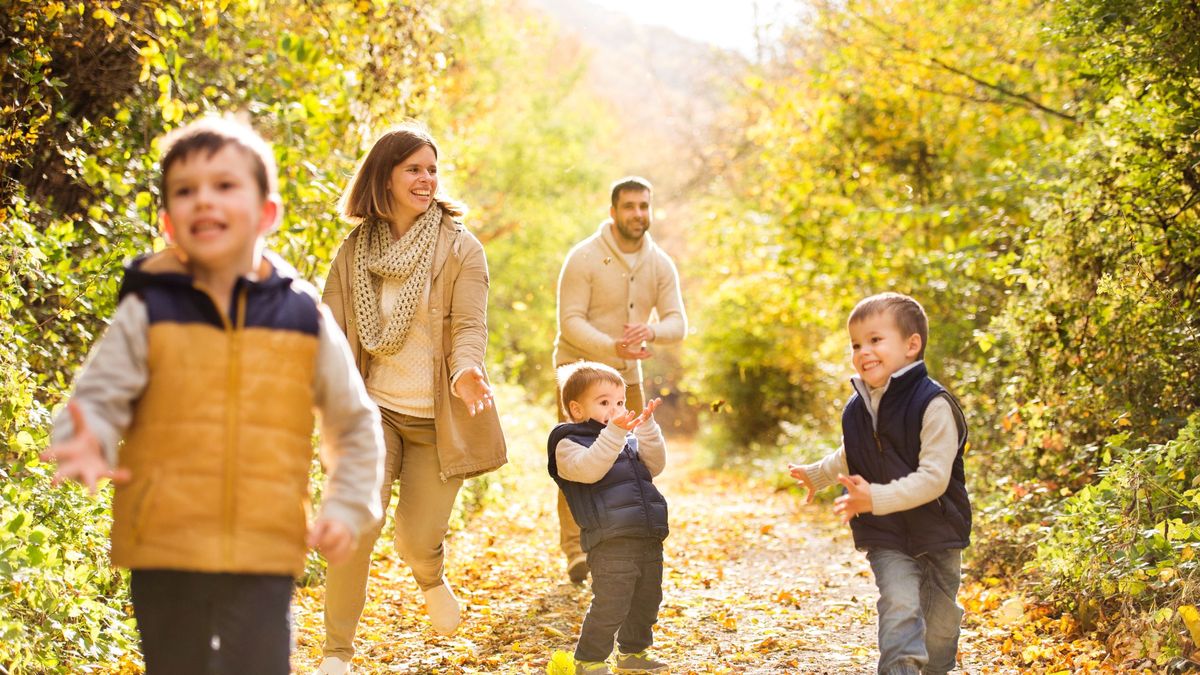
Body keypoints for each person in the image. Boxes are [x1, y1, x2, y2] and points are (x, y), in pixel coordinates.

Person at [40, 116, 386, 675]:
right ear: (168, 222)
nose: (203, 200)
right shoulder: (150, 309)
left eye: (224, 186)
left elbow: (353, 423)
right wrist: (85, 438)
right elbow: (99, 394)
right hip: (164, 541)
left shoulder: (303, 318)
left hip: (265, 544)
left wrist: (346, 506)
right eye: (185, 191)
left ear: (266, 213)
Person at [315, 122, 507, 675]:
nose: (426, 180)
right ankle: (337, 654)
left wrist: (467, 370)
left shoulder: (460, 248)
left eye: (431, 170)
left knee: (418, 539)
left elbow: (471, 326)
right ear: (386, 176)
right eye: (414, 169)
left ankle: (429, 576)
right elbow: (326, 327)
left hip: (437, 417)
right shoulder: (353, 251)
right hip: (372, 411)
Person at [788, 292, 970, 675]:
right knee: (900, 605)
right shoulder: (857, 407)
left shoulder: (933, 404)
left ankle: (937, 668)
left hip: (937, 530)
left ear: (911, 345)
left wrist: (876, 497)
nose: (863, 351)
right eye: (856, 344)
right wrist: (817, 475)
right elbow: (851, 453)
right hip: (885, 533)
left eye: (874, 340)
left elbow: (935, 478)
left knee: (939, 629)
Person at [552, 176, 686, 583]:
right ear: (613, 212)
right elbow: (569, 321)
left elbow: (677, 323)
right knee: (576, 460)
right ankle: (576, 549)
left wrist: (651, 333)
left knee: (627, 462)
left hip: (626, 377)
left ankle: (614, 543)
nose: (637, 214)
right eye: (629, 206)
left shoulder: (659, 263)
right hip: (577, 372)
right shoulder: (585, 257)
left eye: (644, 206)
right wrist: (613, 347)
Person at [548, 362, 670, 675]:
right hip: (609, 540)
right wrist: (616, 432)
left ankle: (633, 653)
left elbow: (654, 465)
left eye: (619, 403)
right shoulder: (568, 443)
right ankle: (589, 659)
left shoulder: (624, 440)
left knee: (647, 599)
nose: (615, 410)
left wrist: (646, 427)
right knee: (612, 602)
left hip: (645, 534)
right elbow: (592, 468)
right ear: (576, 409)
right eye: (604, 403)